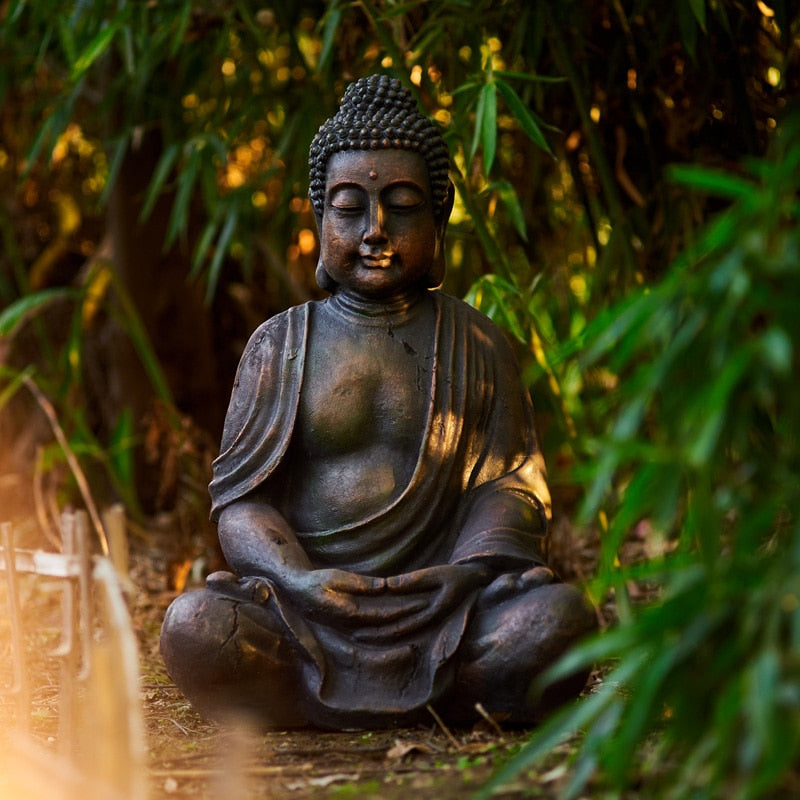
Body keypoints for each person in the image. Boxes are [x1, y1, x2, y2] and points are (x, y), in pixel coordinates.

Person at [161, 74, 596, 729]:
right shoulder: (280, 345)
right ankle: (426, 696)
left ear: (438, 217)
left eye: (402, 204)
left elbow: (512, 486)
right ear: (319, 217)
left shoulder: (480, 343)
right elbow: (243, 502)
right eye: (350, 206)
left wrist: (469, 573)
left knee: (558, 622)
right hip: (309, 609)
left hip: (444, 605)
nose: (375, 230)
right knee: (194, 624)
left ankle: (338, 697)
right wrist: (300, 579)